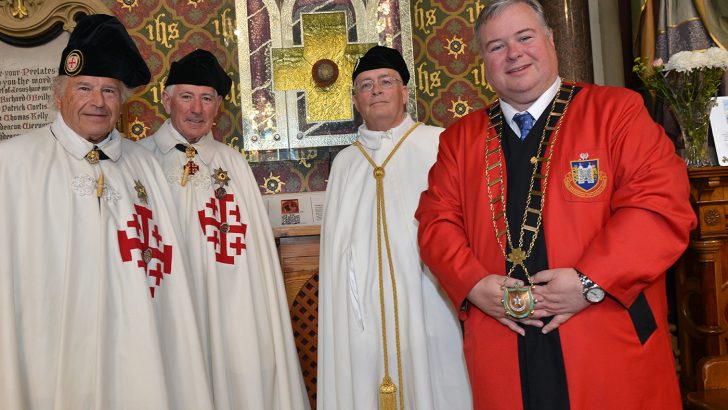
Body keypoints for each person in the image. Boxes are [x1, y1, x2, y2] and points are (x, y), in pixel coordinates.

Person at [416, 1, 698, 409]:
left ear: (550, 40)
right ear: (483, 63)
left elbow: (659, 205)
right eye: (496, 46)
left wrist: (590, 282)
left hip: (602, 334)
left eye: (525, 37)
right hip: (504, 341)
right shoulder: (458, 140)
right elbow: (434, 222)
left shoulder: (616, 112)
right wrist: (474, 284)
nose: (513, 53)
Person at [0, 14, 212, 409]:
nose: (97, 102)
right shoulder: (12, 164)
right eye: (84, 88)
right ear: (58, 95)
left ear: (122, 102)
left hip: (135, 350)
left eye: (109, 91)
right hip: (49, 354)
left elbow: (169, 278)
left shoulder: (143, 166)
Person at [139, 49, 310, 409]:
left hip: (232, 310)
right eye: (187, 97)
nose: (196, 109)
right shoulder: (140, 162)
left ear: (218, 107)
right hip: (166, 303)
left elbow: (258, 261)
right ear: (167, 100)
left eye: (207, 99)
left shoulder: (233, 164)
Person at [317, 45, 472, 410]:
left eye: (386, 81)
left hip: (429, 297)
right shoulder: (345, 163)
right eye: (366, 85)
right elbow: (337, 253)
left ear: (405, 92)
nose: (376, 91)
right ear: (356, 101)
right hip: (363, 312)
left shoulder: (439, 144)